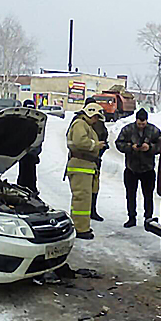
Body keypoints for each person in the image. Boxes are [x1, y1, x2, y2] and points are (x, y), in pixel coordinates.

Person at [65, 102, 106, 239]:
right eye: (95, 117)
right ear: (90, 113)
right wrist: (96, 145)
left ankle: (82, 226)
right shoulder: (79, 124)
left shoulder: (85, 125)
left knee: (85, 199)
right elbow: (80, 141)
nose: (96, 121)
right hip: (80, 167)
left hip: (85, 167)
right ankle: (80, 229)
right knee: (81, 199)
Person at [116, 108, 161, 228]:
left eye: (143, 123)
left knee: (148, 195)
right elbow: (118, 143)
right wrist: (131, 147)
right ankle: (131, 217)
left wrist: (150, 147)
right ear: (136, 120)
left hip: (148, 169)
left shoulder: (154, 131)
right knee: (130, 195)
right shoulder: (128, 130)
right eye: (139, 123)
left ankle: (148, 219)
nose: (141, 125)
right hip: (131, 168)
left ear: (147, 120)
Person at [84, 97, 108, 222]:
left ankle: (92, 210)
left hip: (96, 159)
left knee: (94, 186)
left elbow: (104, 135)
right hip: (83, 160)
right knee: (83, 188)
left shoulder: (99, 122)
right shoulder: (80, 122)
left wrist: (102, 147)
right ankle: (85, 213)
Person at [17, 99, 41, 192]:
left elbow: (39, 140)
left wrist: (35, 152)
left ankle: (30, 191)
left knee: (30, 176)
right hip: (23, 154)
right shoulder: (20, 122)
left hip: (31, 155)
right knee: (24, 175)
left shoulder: (37, 123)